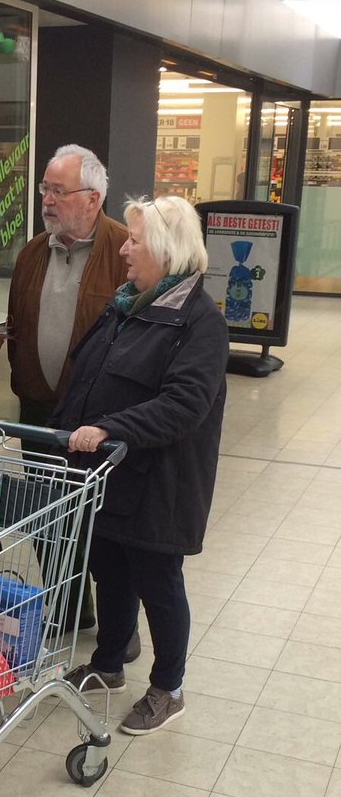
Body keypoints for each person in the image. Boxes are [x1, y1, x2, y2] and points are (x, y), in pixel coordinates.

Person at [56, 194, 229, 734]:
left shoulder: (198, 322)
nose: (124, 248)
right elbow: (87, 377)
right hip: (109, 475)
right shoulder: (128, 304)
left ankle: (168, 687)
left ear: (167, 249)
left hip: (162, 482)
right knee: (108, 568)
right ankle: (109, 664)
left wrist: (112, 428)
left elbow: (185, 404)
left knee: (158, 579)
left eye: (135, 240)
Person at [7, 143, 133, 639]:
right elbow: (20, 324)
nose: (47, 200)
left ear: (93, 199)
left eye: (58, 191)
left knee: (102, 522)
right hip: (38, 408)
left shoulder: (124, 251)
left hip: (98, 418)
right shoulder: (33, 253)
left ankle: (120, 622)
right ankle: (70, 603)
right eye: (45, 189)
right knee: (45, 512)